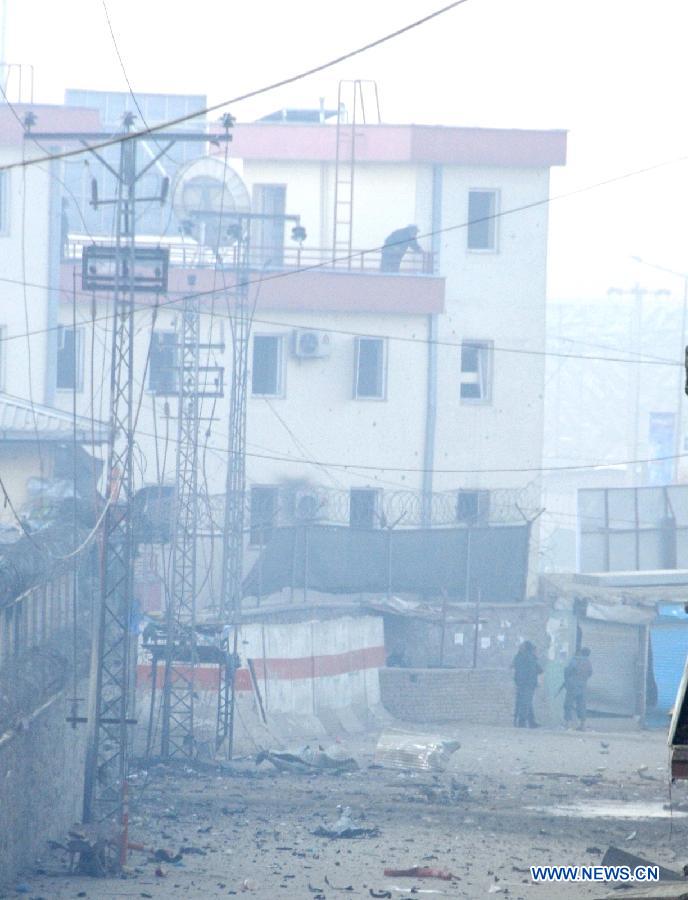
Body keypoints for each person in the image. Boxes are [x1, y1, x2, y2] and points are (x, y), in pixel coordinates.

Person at [511, 640, 542, 728]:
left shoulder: (519, 657)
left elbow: (513, 666)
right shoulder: (530, 658)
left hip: (520, 683)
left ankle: (531, 721)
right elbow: (539, 670)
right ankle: (522, 722)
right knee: (526, 702)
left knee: (525, 702)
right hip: (528, 684)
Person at [563, 647, 593, 731]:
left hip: (572, 685)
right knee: (581, 705)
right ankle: (582, 725)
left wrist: (568, 681)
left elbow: (567, 671)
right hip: (583, 686)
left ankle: (568, 724)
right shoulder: (588, 662)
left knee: (568, 704)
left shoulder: (574, 660)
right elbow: (590, 673)